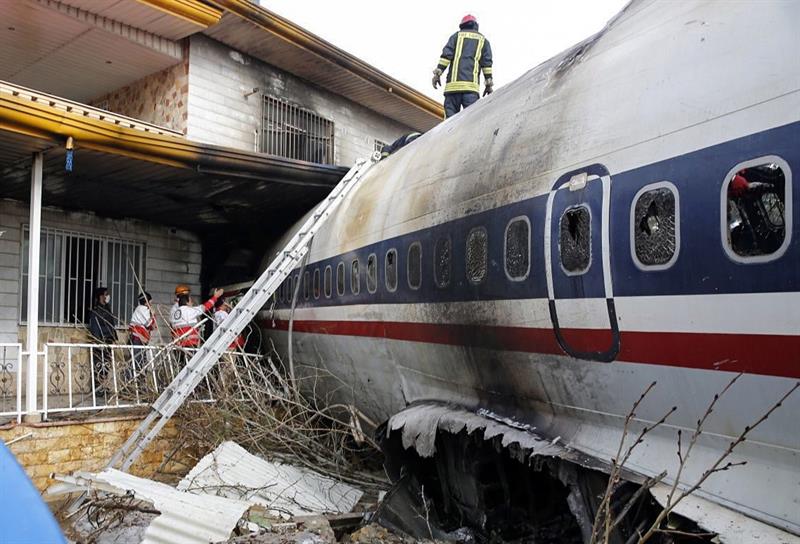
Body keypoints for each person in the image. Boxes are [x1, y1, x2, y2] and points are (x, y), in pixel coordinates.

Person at [433, 14, 493, 118]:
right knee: (471, 122)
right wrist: (488, 85)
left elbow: (446, 57)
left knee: (449, 124)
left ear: (462, 25)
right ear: (475, 26)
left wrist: (438, 74)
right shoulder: (484, 41)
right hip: (471, 90)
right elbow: (486, 64)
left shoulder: (456, 36)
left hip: (452, 89)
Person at [88, 286, 117, 396]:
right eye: (105, 294)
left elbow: (111, 325)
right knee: (99, 364)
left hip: (108, 341)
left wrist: (113, 338)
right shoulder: (96, 311)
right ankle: (97, 387)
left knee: (106, 365)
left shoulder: (107, 309)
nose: (107, 296)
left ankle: (104, 386)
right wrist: (98, 342)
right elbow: (95, 328)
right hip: (100, 342)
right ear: (101, 296)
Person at [129, 291, 156, 375]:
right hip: (138, 338)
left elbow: (151, 326)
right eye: (150, 301)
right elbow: (148, 323)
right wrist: (153, 315)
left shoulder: (141, 309)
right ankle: (134, 379)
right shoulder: (142, 309)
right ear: (146, 301)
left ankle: (139, 379)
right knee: (137, 360)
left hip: (139, 338)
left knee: (141, 360)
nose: (151, 303)